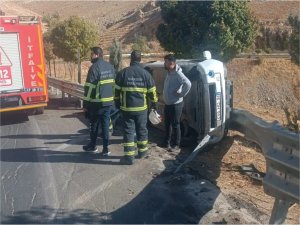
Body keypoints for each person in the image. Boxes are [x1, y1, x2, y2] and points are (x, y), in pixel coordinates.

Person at [114, 50, 158, 165]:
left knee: (128, 131)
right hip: (141, 109)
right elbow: (152, 92)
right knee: (142, 130)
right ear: (140, 59)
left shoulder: (123, 73)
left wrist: (117, 103)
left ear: (131, 59)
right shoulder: (146, 74)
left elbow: (116, 92)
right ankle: (142, 152)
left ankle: (129, 157)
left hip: (127, 109)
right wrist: (154, 105)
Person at [83, 47, 115, 156]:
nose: (90, 56)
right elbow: (113, 84)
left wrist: (86, 104)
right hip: (108, 103)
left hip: (97, 103)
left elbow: (89, 88)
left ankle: (93, 146)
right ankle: (106, 149)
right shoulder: (110, 67)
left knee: (94, 125)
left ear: (96, 54)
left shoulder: (94, 68)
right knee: (105, 126)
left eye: (91, 54)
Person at [162, 54, 191, 150]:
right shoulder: (169, 72)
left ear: (171, 63)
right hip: (168, 103)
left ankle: (176, 144)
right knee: (167, 124)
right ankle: (166, 142)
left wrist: (181, 94)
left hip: (175, 104)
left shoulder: (178, 74)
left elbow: (188, 84)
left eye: (165, 62)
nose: (164, 64)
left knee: (175, 124)